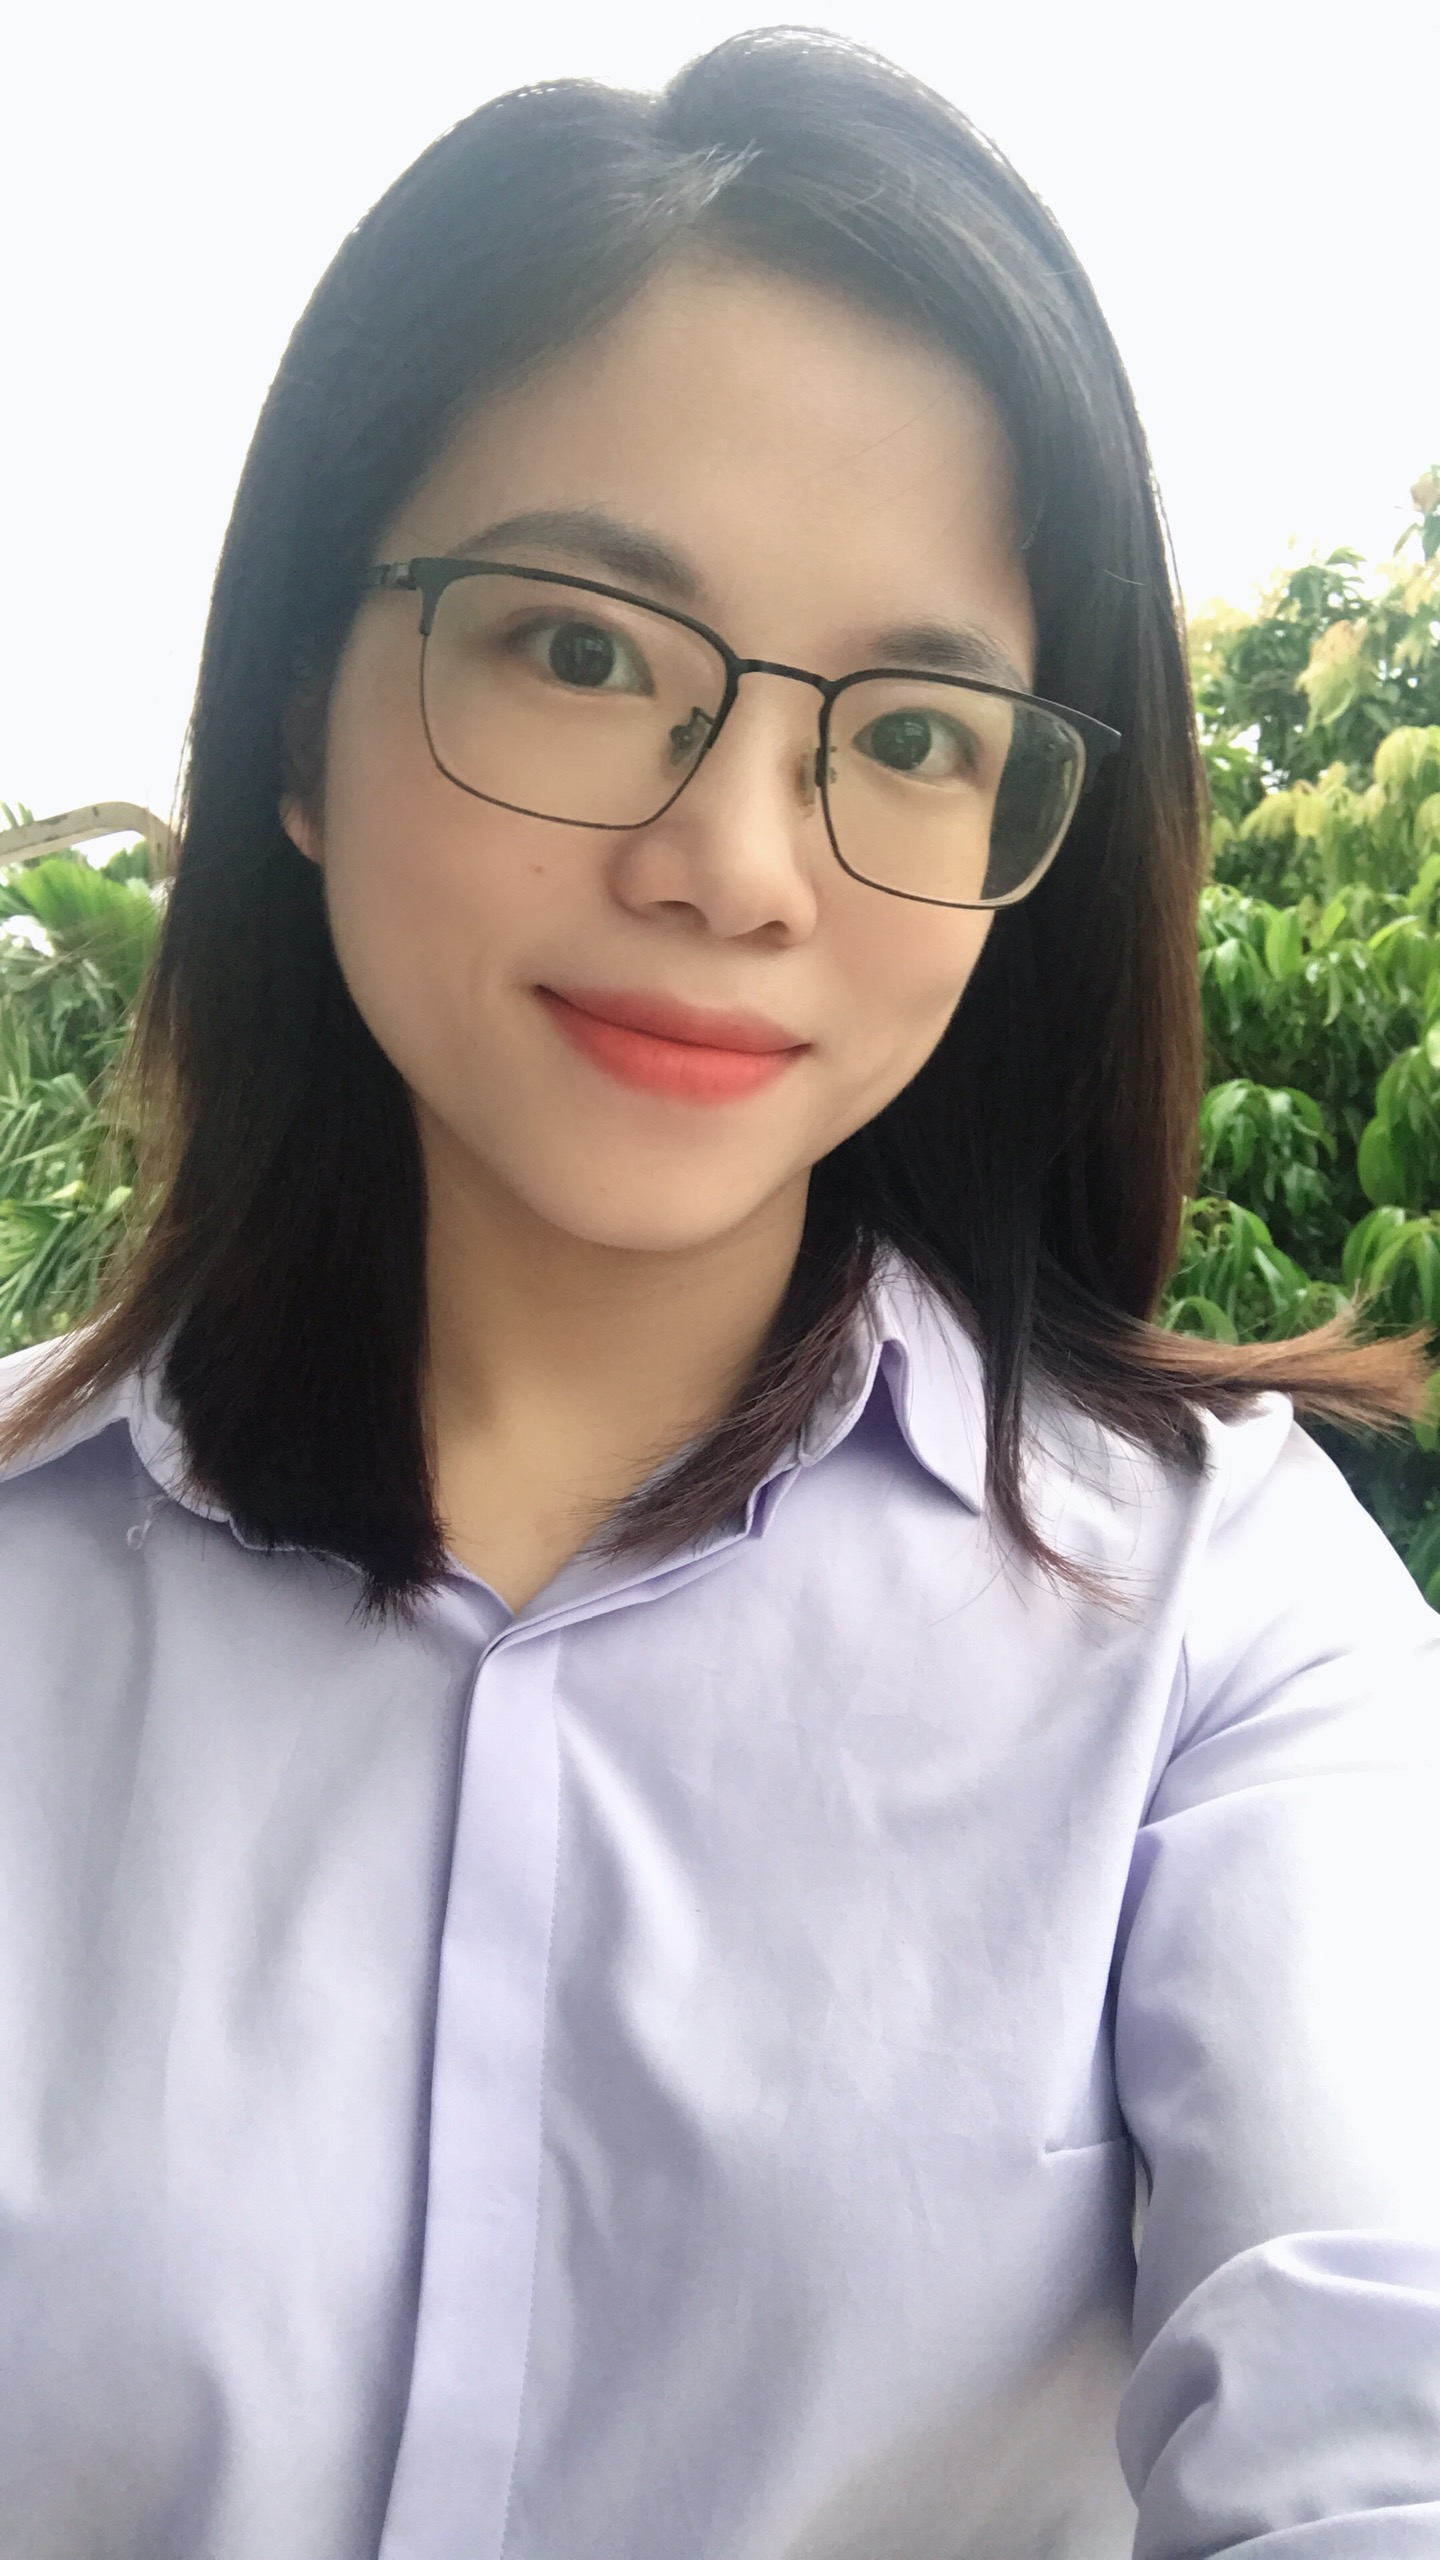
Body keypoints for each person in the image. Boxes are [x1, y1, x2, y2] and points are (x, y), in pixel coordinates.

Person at [1, 29, 1436, 2559]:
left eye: (914, 732)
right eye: (579, 652)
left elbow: (1372, 2395)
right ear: (302, 721)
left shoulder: (1219, 1610)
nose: (738, 865)